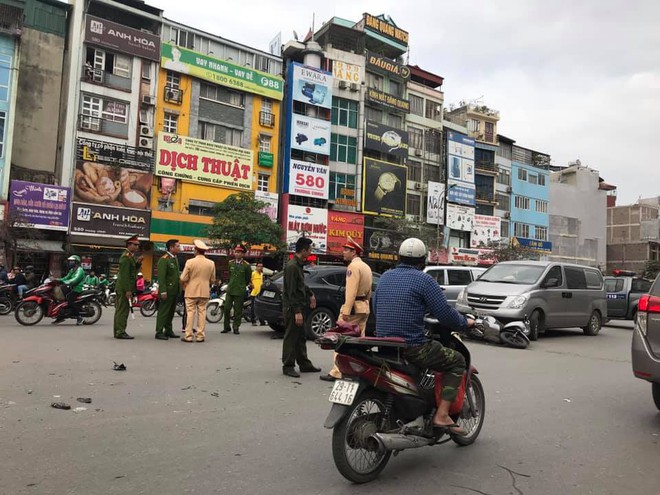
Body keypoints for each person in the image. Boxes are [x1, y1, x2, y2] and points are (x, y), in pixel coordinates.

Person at [373, 237, 475, 436]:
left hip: (385, 345)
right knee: (458, 361)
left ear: (398, 257)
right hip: (412, 348)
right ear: (423, 261)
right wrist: (465, 322)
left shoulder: (385, 276)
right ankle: (442, 415)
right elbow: (445, 314)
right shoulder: (425, 280)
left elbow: (376, 308)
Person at [321, 237, 373, 382]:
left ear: (354, 252)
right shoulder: (366, 267)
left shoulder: (353, 267)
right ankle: (357, 369)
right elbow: (369, 291)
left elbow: (351, 291)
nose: (343, 252)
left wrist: (346, 311)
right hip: (364, 306)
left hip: (353, 308)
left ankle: (337, 371)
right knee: (358, 341)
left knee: (340, 339)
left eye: (346, 250)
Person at [281, 237, 321, 378]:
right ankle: (288, 365)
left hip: (299, 305)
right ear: (303, 250)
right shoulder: (292, 267)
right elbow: (291, 291)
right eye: (310, 250)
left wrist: (310, 294)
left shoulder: (298, 265)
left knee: (300, 336)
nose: (310, 252)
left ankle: (304, 363)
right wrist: (297, 311)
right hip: (292, 307)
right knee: (291, 337)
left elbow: (301, 285)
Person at [180, 239, 215, 343]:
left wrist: (186, 284)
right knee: (202, 313)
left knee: (190, 313)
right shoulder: (211, 263)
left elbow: (183, 278)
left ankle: (188, 335)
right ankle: (200, 336)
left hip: (191, 290)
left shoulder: (190, 262)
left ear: (196, 250)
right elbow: (212, 279)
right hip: (204, 291)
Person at [113, 235, 141, 339]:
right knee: (122, 311)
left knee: (121, 310)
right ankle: (120, 331)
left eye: (138, 245)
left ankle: (118, 331)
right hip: (124, 288)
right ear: (129, 245)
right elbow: (124, 275)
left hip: (125, 287)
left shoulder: (131, 256)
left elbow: (132, 270)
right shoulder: (125, 257)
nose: (137, 247)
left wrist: (138, 263)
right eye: (135, 244)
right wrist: (128, 290)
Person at [221, 245, 251, 335]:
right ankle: (226, 327)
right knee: (226, 308)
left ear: (242, 254)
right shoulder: (231, 263)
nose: (237, 254)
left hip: (240, 290)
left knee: (238, 310)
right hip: (230, 289)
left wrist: (242, 285)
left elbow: (247, 278)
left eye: (239, 252)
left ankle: (236, 327)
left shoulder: (246, 266)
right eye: (236, 252)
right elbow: (230, 275)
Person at [155, 239, 181, 340]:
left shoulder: (174, 258)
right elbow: (161, 277)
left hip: (174, 290)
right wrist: (163, 291)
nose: (179, 248)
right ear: (171, 247)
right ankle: (159, 331)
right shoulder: (164, 259)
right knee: (163, 311)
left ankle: (168, 330)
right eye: (177, 246)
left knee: (171, 312)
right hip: (167, 290)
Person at [57, 255, 85, 325]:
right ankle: (61, 315)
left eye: (72, 261)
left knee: (69, 299)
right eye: (69, 261)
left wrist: (64, 282)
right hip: (70, 287)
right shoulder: (72, 270)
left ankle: (79, 317)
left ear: (76, 262)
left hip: (77, 289)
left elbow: (75, 280)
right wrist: (57, 280)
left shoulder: (80, 270)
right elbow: (66, 278)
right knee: (60, 297)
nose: (70, 262)